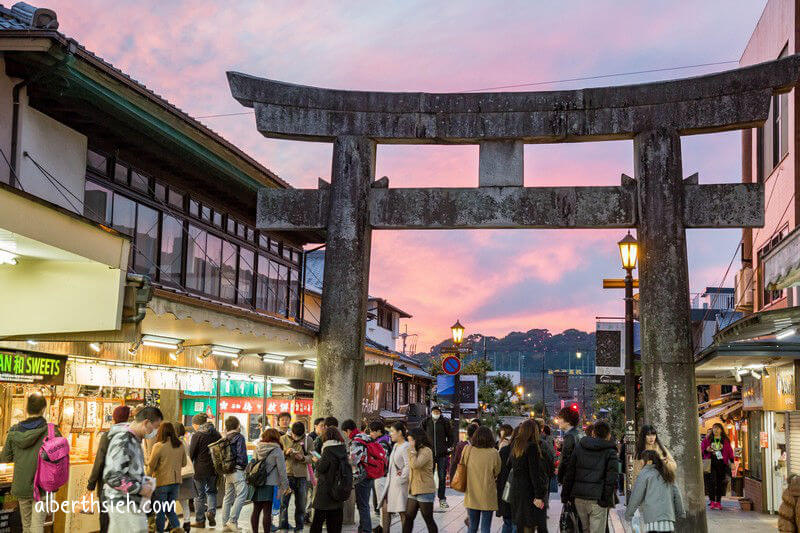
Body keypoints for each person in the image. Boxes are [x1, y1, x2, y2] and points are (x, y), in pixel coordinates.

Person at [0, 393, 62, 533]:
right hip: (43, 486)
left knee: (26, 525)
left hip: (22, 485)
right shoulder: (53, 432)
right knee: (37, 525)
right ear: (44, 409)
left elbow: (5, 458)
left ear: (27, 409)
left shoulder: (14, 431)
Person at [104, 406, 163, 533]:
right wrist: (140, 488)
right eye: (155, 427)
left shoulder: (134, 440)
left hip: (131, 502)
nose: (156, 432)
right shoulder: (124, 440)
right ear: (146, 423)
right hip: (123, 503)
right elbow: (112, 476)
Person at [562, 420, 619, 533]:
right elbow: (611, 479)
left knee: (584, 529)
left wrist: (565, 495)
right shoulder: (610, 451)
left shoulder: (580, 447)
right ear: (608, 435)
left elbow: (570, 473)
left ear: (593, 433)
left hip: (579, 497)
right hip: (597, 499)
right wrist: (606, 499)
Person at [87, 405, 130, 533]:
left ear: (115, 418)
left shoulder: (108, 436)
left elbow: (99, 461)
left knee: (106, 518)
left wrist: (91, 483)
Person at [624, 450, 685, 532]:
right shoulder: (667, 472)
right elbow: (677, 494)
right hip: (668, 518)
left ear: (648, 461)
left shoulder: (644, 474)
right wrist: (680, 512)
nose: (640, 462)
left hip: (652, 519)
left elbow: (636, 496)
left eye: (641, 459)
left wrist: (628, 515)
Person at [147, 421, 187, 533]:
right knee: (170, 510)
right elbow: (184, 463)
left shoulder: (158, 446)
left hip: (162, 482)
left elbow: (151, 465)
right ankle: (178, 530)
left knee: (160, 511)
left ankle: (159, 531)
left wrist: (146, 478)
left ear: (161, 432)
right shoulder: (180, 445)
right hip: (176, 482)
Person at [508, 420, 547, 532]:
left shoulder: (515, 445)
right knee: (529, 524)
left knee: (520, 524)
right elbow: (534, 474)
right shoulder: (532, 447)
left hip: (516, 490)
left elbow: (510, 465)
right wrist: (539, 495)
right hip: (528, 492)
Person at [461, 426, 501, 533]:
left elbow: (463, 465)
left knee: (472, 526)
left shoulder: (467, 450)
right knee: (485, 527)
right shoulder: (494, 453)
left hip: (471, 493)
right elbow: (497, 471)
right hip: (488, 494)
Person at [310, 427, 350, 533]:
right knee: (335, 521)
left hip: (325, 489)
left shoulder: (327, 449)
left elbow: (321, 468)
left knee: (318, 520)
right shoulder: (343, 449)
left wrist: (316, 460)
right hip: (338, 488)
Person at [251, 428, 290, 533]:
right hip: (270, 484)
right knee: (267, 511)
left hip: (257, 483)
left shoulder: (258, 448)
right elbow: (282, 471)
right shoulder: (277, 450)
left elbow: (253, 463)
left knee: (256, 510)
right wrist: (286, 486)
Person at [188, 413, 222, 528]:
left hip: (200, 470)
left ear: (197, 424)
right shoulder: (216, 434)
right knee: (212, 492)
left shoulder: (197, 435)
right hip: (214, 469)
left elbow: (191, 454)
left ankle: (200, 520)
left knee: (199, 495)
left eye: (193, 424)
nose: (193, 427)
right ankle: (211, 512)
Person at [402, 428, 438, 533]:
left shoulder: (426, 451)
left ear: (417, 439)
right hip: (413, 488)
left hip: (425, 489)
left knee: (428, 518)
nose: (409, 443)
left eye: (411, 440)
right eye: (408, 440)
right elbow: (408, 465)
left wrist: (412, 451)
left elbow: (415, 465)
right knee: (408, 517)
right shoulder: (412, 450)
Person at [279, 421, 312, 531]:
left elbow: (312, 457)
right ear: (291, 432)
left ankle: (299, 527)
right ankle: (283, 526)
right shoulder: (283, 439)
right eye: (295, 436)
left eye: (299, 436)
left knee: (301, 504)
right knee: (284, 503)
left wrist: (303, 458)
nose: (296, 438)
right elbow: (277, 455)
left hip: (301, 476)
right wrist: (286, 452)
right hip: (286, 475)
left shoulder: (308, 440)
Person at [378, 422, 410, 532]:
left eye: (392, 431)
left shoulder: (406, 446)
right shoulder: (396, 445)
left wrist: (401, 479)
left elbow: (408, 466)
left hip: (401, 486)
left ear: (400, 432)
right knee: (385, 510)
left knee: (402, 512)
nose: (390, 434)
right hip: (391, 485)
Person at [219, 416, 248, 531]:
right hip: (237, 470)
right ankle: (232, 521)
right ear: (237, 426)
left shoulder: (224, 438)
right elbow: (241, 455)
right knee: (242, 494)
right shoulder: (239, 437)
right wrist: (243, 466)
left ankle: (225, 523)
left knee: (228, 497)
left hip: (227, 471)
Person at [421, 406, 453, 510]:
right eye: (434, 411)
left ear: (440, 413)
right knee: (429, 477)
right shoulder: (426, 422)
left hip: (442, 454)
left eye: (438, 412)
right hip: (429, 454)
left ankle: (442, 499)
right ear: (431, 412)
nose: (436, 413)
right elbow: (420, 434)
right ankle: (428, 499)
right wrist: (423, 447)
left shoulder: (445, 422)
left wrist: (447, 447)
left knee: (442, 477)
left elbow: (451, 436)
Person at [350, 420, 378, 533]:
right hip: (370, 473)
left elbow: (354, 460)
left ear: (348, 430)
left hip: (361, 475)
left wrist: (348, 459)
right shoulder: (367, 438)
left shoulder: (357, 441)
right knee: (364, 503)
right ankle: (362, 528)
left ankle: (366, 529)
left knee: (363, 505)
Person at [701, 423, 734, 510]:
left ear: (721, 430)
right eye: (714, 428)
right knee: (711, 482)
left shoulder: (725, 440)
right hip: (710, 463)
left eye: (718, 428)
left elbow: (730, 451)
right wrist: (707, 450)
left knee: (720, 483)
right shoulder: (708, 439)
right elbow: (702, 450)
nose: (716, 430)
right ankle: (712, 501)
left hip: (722, 463)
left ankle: (718, 502)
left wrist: (732, 462)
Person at [174, 423, 196, 533]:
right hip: (186, 475)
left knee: (172, 499)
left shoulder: (176, 442)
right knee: (183, 501)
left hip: (179, 474)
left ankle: (173, 523)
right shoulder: (185, 441)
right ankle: (187, 522)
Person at [496, 426, 518, 533]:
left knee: (507, 522)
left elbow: (498, 472)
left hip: (505, 491)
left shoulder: (504, 450)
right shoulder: (524, 452)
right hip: (518, 493)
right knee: (516, 524)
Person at [556, 406, 582, 485]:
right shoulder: (579, 433)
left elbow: (566, 459)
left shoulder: (569, 436)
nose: (558, 421)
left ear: (568, 421)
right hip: (579, 474)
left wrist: (560, 477)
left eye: (560, 418)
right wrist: (562, 448)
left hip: (570, 477)